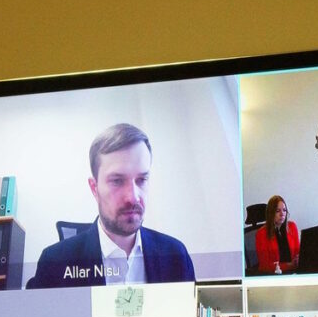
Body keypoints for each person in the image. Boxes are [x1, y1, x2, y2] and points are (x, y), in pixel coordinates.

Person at [27, 123, 195, 288]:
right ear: (94, 188)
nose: (133, 197)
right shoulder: (54, 263)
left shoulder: (176, 256)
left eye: (142, 180)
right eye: (117, 181)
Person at [254, 195, 300, 273]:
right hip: (275, 274)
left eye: (284, 210)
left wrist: (298, 259)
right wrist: (289, 265)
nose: (282, 214)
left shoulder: (292, 227)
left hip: (293, 271)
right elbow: (264, 266)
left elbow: (297, 252)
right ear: (271, 213)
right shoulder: (261, 233)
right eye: (278, 211)